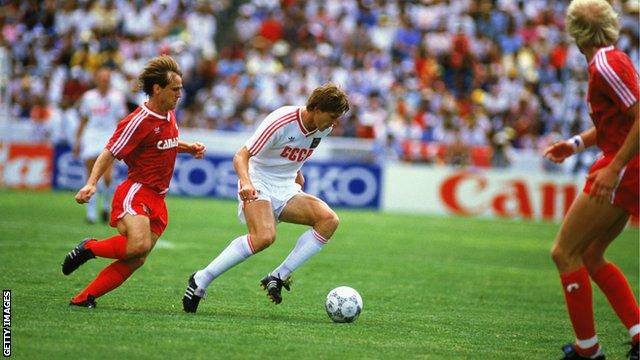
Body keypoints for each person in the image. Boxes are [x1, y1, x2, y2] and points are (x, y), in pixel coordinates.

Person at [182, 83, 350, 312]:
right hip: (257, 178)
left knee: (329, 220)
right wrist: (246, 183)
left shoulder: (323, 128)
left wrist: (297, 174)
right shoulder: (281, 121)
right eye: (332, 117)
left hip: (285, 186)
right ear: (317, 108)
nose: (334, 123)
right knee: (264, 237)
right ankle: (201, 279)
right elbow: (241, 156)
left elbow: (290, 153)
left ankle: (278, 276)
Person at [61, 55, 206, 308]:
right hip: (136, 191)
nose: (180, 94)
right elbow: (110, 151)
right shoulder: (137, 120)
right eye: (175, 89)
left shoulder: (169, 114)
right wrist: (91, 183)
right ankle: (89, 248)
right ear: (157, 89)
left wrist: (188, 147)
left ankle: (85, 297)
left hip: (158, 198)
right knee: (137, 245)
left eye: (181, 88)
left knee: (137, 258)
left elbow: (163, 144)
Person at [543, 1, 639, 359]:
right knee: (591, 254)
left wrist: (614, 169)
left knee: (563, 252)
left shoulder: (604, 66)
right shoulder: (611, 60)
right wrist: (576, 143)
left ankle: (588, 352)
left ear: (574, 32)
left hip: (624, 168)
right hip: (627, 166)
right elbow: (616, 122)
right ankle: (638, 336)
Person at [73, 67, 127, 224]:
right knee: (91, 176)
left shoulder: (117, 98)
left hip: (110, 136)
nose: (104, 81)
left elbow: (122, 120)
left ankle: (106, 205)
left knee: (108, 176)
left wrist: (123, 140)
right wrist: (77, 141)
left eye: (107, 78)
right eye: (101, 78)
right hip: (91, 136)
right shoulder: (88, 97)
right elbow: (83, 119)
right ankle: (91, 213)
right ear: (96, 79)